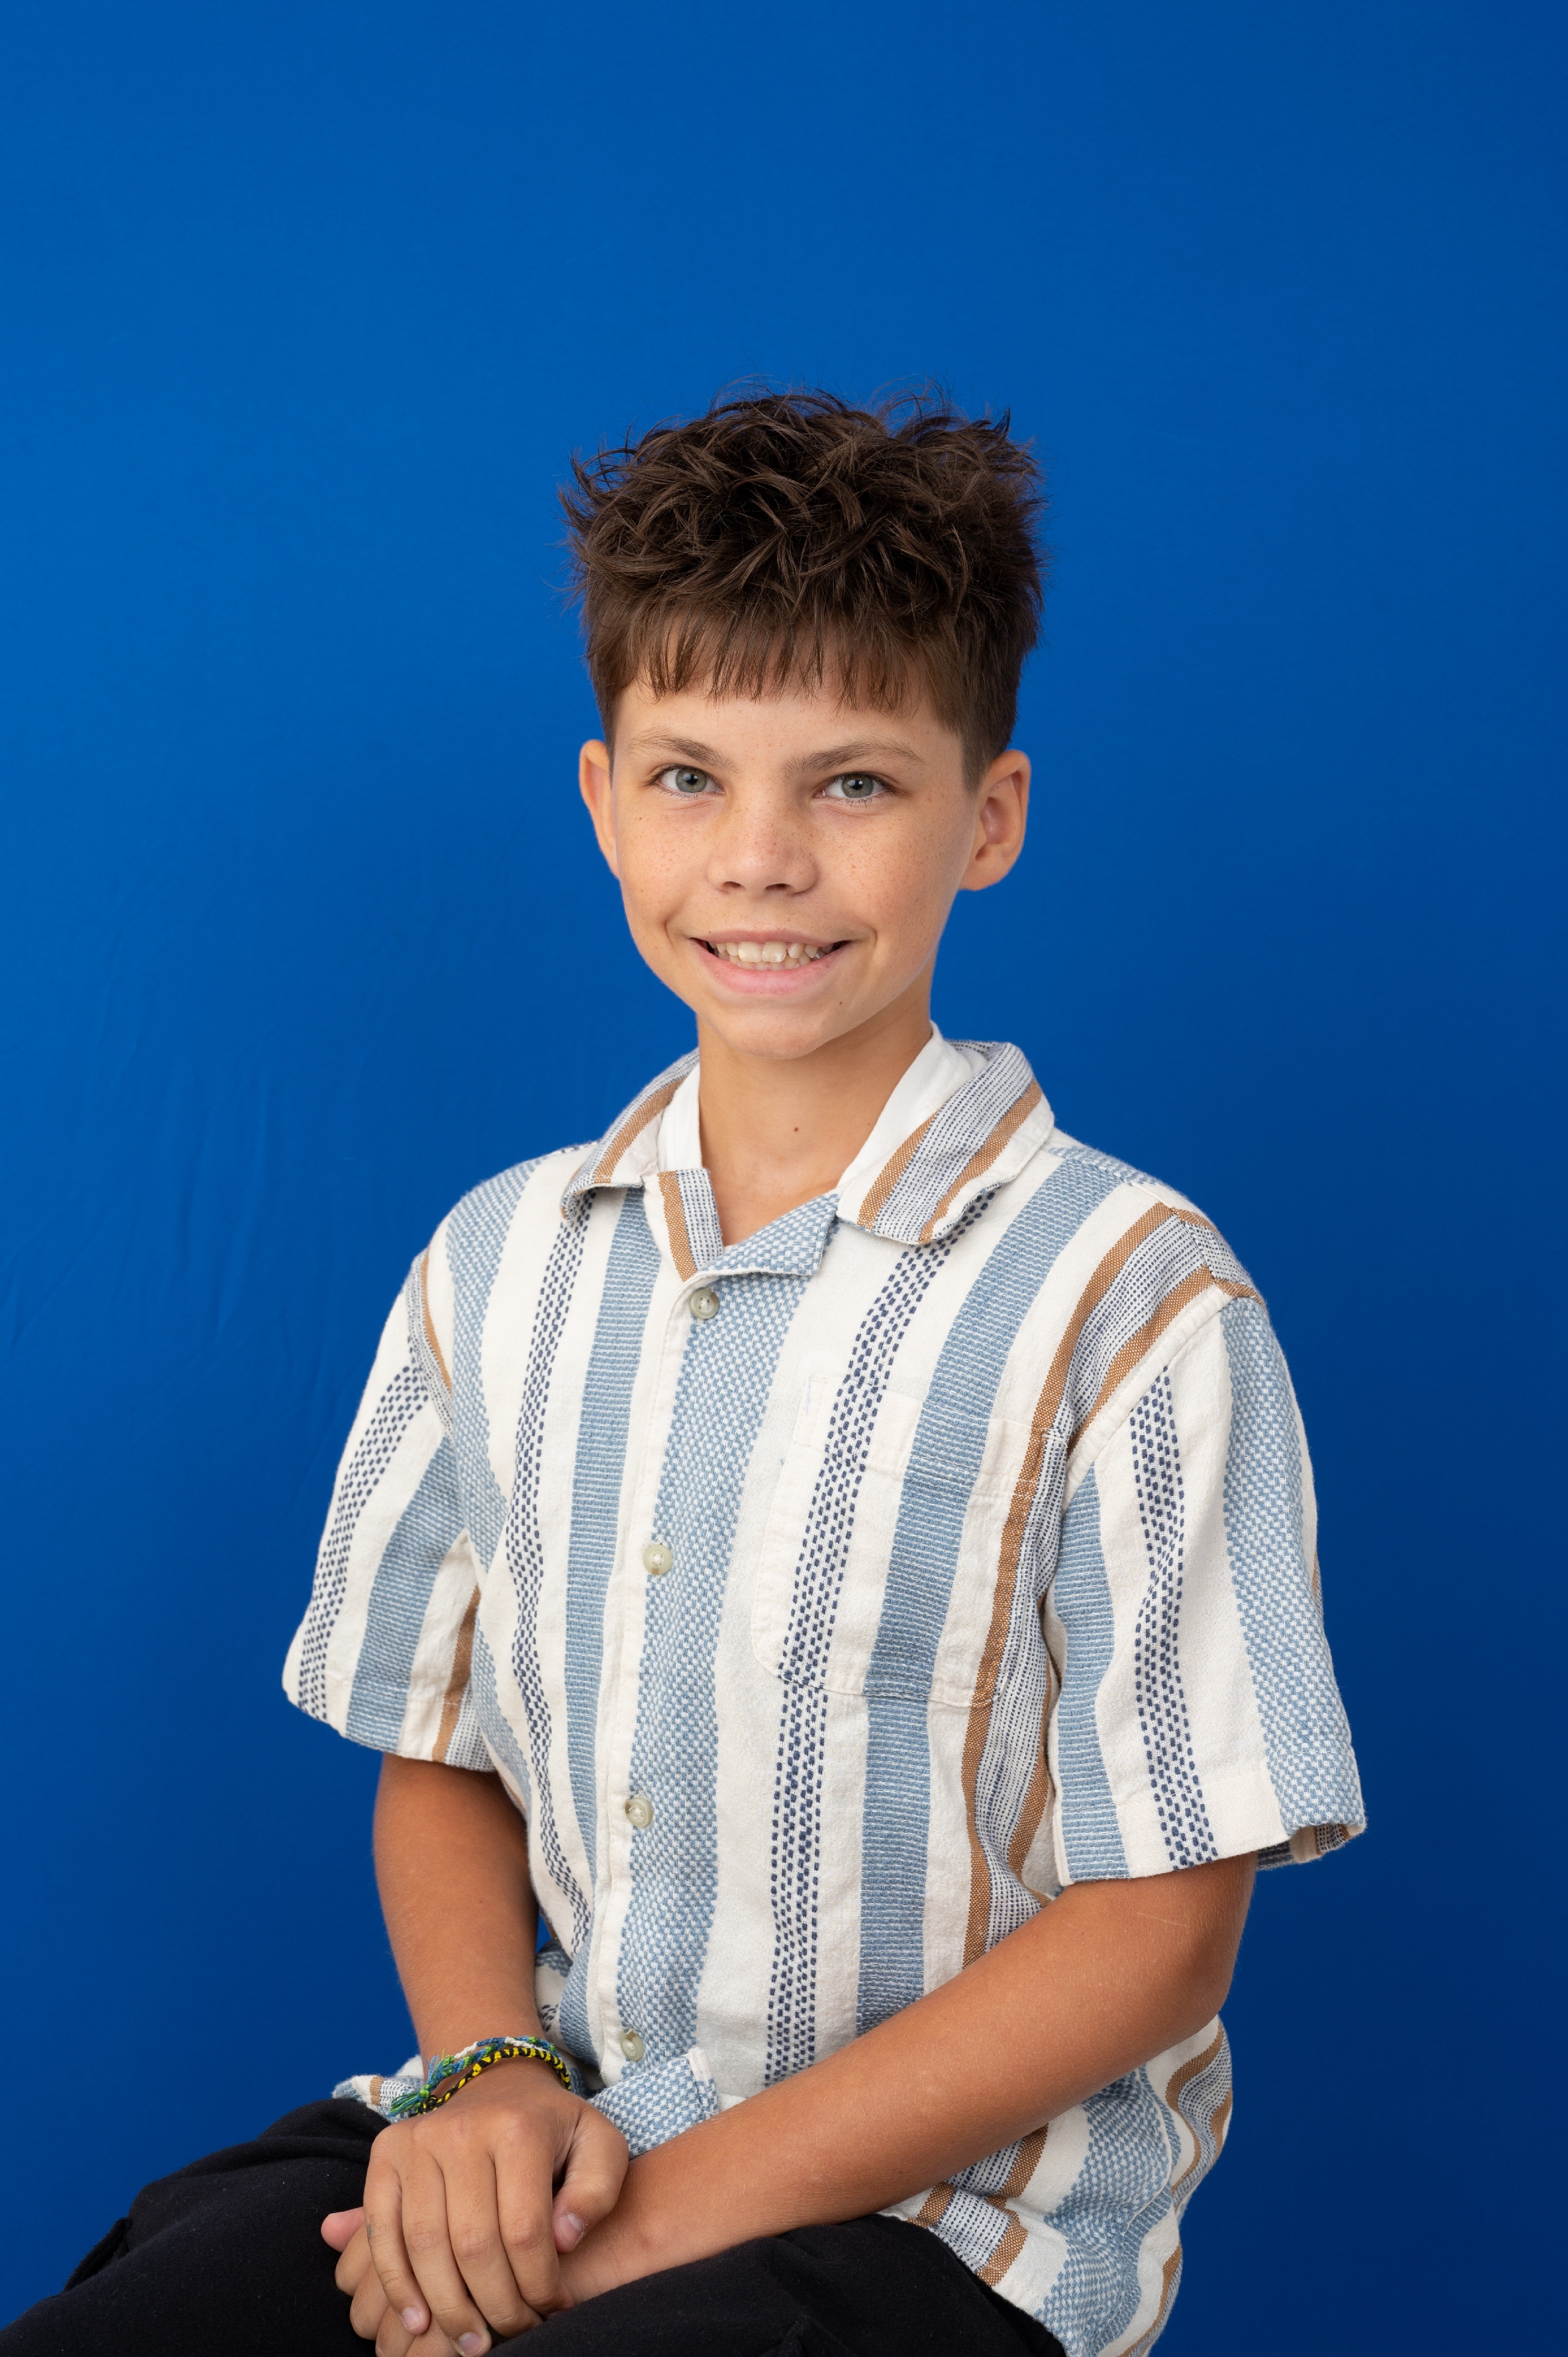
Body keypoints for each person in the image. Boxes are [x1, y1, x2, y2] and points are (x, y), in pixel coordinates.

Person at [1, 390, 1363, 2357]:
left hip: (942, 2226)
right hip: (556, 2126)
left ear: (990, 816)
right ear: (603, 799)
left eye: (854, 785)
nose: (762, 860)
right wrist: (487, 2079)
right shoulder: (495, 1268)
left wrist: (646, 2234)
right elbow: (440, 1750)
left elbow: (1162, 1929)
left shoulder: (1135, 1303)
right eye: (690, 779)